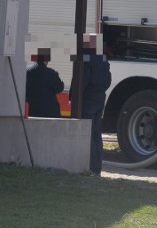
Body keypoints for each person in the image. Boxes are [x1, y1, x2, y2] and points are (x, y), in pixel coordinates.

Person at [70, 34, 112, 176]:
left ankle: (89, 166)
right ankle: (97, 167)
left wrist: (73, 97)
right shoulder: (103, 59)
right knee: (96, 133)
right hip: (100, 98)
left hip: (88, 99)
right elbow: (108, 80)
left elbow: (81, 80)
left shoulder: (86, 59)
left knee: (87, 134)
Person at [25, 48, 64, 118]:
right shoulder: (51, 73)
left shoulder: (27, 71)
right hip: (49, 113)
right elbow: (59, 88)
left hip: (31, 111)